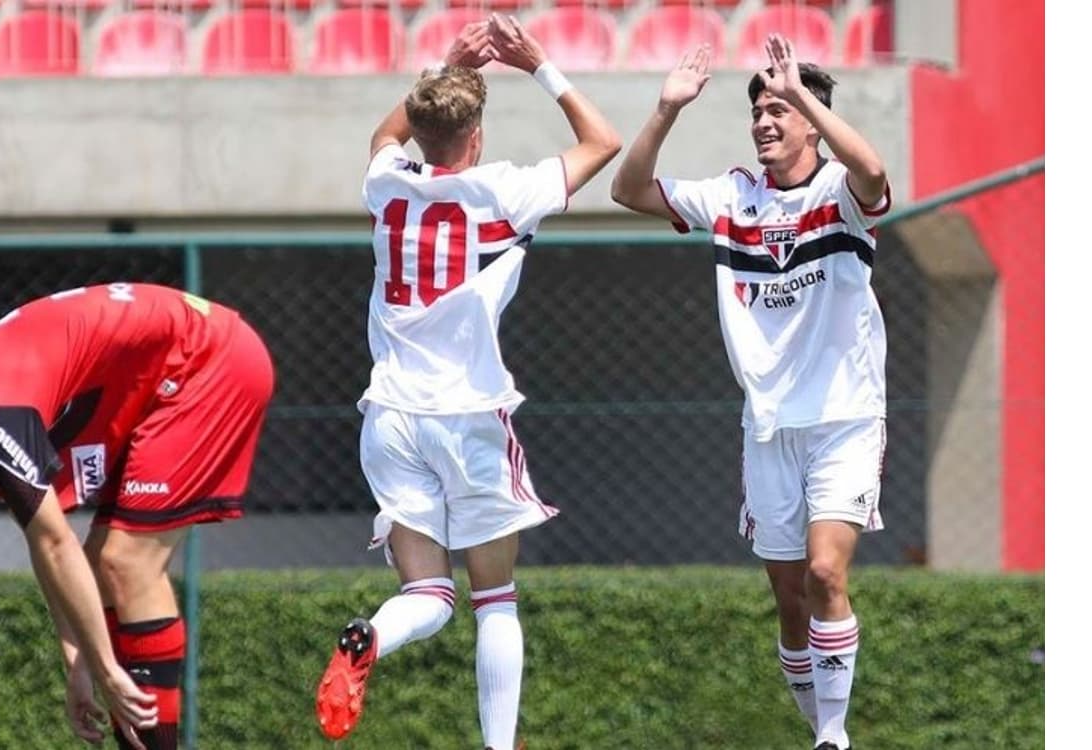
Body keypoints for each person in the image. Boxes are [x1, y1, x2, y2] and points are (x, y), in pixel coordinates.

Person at [313, 15, 620, 750]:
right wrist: (539, 63)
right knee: (495, 600)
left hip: (388, 413)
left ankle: (370, 637)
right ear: (475, 137)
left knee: (426, 593)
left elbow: (383, 138)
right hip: (469, 416)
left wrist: (442, 64)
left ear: (420, 133)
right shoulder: (503, 190)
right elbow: (602, 142)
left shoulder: (386, 183)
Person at [0, 282, 275, 750]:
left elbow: (53, 542)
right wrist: (79, 663)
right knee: (103, 561)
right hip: (175, 366)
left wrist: (106, 669)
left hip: (210, 359)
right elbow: (47, 550)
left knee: (125, 563)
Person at [610, 35, 890, 750]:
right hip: (766, 426)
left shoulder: (840, 195)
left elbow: (873, 169)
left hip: (844, 418)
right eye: (758, 111)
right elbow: (628, 189)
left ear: (808, 117)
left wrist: (803, 94)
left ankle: (833, 735)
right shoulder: (732, 197)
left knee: (828, 572)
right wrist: (667, 110)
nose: (764, 121)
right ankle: (817, 725)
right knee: (791, 598)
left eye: (779, 109)